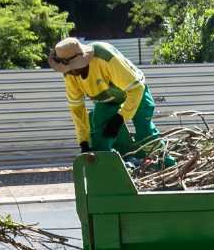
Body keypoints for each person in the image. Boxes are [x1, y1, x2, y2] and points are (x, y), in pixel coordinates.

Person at [47, 36, 164, 168]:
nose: (70, 72)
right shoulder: (69, 74)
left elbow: (136, 89)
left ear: (82, 59)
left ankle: (166, 163)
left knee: (145, 132)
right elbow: (77, 109)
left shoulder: (105, 57)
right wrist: (84, 142)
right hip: (107, 99)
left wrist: (120, 118)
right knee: (100, 136)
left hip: (135, 91)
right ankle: (118, 168)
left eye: (72, 67)